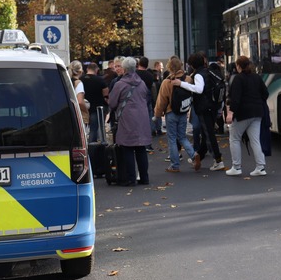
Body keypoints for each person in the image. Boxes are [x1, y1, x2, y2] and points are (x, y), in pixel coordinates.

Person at [173, 52, 224, 171]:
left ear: (192, 65)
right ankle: (199, 156)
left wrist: (181, 84)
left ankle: (218, 160)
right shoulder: (209, 72)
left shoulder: (198, 75)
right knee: (207, 133)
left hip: (204, 107)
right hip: (213, 106)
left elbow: (199, 89)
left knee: (209, 134)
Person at [108, 56, 151, 186]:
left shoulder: (120, 84)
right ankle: (144, 178)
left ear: (125, 69)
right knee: (141, 149)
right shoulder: (141, 83)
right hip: (142, 119)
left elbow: (112, 103)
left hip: (126, 119)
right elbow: (146, 98)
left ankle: (131, 178)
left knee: (127, 148)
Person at [225, 55, 269, 177]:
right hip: (258, 112)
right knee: (255, 140)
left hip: (243, 113)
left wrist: (231, 112)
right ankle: (260, 167)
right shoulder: (256, 77)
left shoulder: (238, 79)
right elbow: (265, 93)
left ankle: (236, 166)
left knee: (234, 138)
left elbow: (235, 99)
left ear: (238, 66)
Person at [154, 57, 199, 172]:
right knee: (182, 137)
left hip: (171, 112)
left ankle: (175, 165)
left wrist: (157, 114)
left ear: (169, 67)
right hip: (183, 111)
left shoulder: (167, 82)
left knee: (172, 139)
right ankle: (193, 155)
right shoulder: (188, 79)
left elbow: (162, 101)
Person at [82, 62, 108, 142]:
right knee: (94, 129)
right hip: (96, 109)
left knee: (82, 130)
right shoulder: (100, 80)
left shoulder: (80, 79)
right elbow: (106, 94)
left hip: (82, 108)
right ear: (96, 70)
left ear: (87, 69)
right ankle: (92, 147)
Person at [69, 60, 89, 134]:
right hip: (78, 115)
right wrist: (86, 112)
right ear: (80, 71)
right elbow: (80, 101)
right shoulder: (78, 83)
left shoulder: (67, 81)